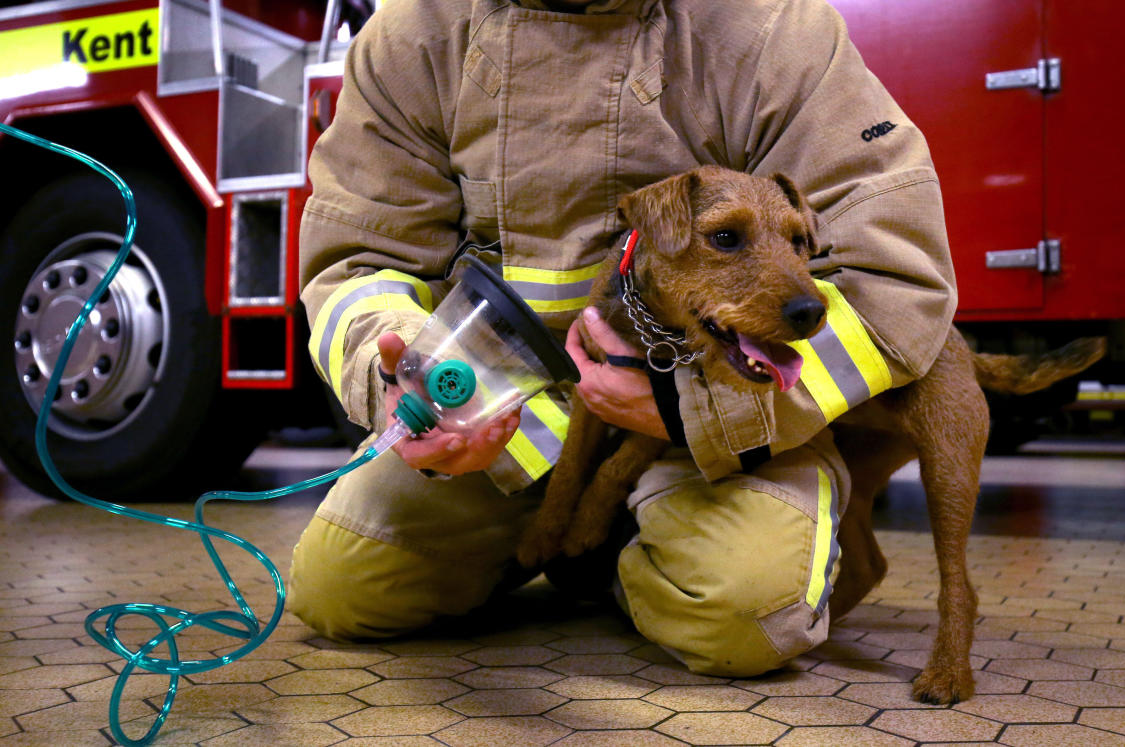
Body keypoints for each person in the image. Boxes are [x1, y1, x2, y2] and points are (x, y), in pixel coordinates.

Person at [290, 0, 955, 676]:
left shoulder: (774, 28)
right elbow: (362, 259)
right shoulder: (415, 29)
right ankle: (611, 547)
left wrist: (697, 410)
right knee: (343, 586)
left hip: (710, 435)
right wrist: (412, 376)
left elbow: (892, 276)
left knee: (747, 612)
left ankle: (619, 550)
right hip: (498, 421)